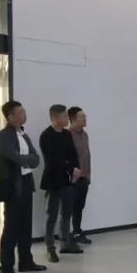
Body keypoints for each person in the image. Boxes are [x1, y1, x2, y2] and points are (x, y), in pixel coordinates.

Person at [0, 101, 45, 273]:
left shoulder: (23, 133)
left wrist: (26, 159)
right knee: (12, 227)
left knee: (25, 225)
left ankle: (26, 261)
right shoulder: (3, 135)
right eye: (21, 112)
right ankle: (6, 268)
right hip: (13, 185)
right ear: (10, 117)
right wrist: (27, 159)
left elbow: (36, 158)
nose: (24, 115)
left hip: (26, 183)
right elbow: (13, 156)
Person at [39, 105, 83, 263]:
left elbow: (73, 154)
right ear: (56, 118)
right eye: (64, 116)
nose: (67, 119)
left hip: (67, 180)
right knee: (51, 216)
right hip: (53, 181)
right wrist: (71, 168)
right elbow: (53, 160)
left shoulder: (66, 134)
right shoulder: (46, 136)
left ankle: (65, 243)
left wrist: (76, 168)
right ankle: (50, 248)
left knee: (66, 214)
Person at [68, 106, 92, 245]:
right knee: (69, 208)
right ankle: (66, 237)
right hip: (72, 179)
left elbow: (87, 157)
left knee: (79, 207)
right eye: (82, 116)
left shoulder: (85, 135)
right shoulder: (67, 135)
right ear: (73, 119)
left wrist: (88, 176)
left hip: (84, 178)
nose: (85, 118)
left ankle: (77, 232)